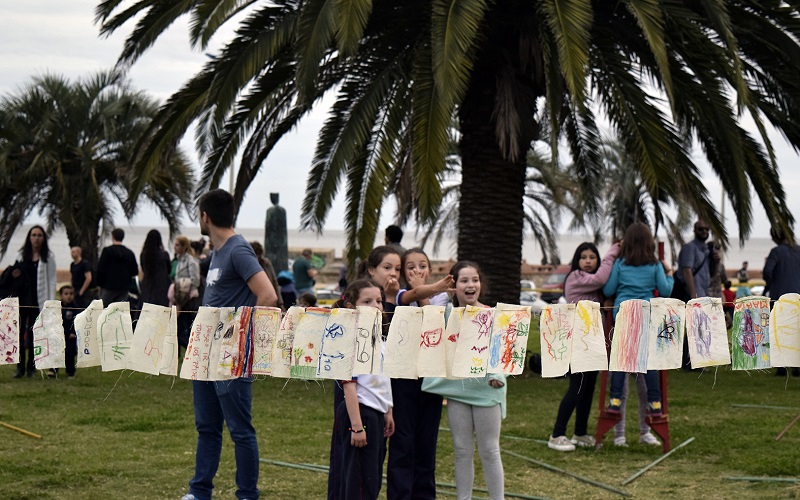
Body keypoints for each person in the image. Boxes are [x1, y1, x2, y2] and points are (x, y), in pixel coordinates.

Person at [182, 189, 278, 500]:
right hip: (205, 356)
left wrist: (240, 339)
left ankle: (247, 494)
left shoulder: (238, 250)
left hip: (229, 357)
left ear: (205, 216)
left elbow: (268, 296)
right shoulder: (218, 252)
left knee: (240, 430)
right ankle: (199, 492)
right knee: (207, 427)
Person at [423, 261, 506, 500]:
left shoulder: (493, 315)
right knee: (461, 450)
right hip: (457, 391)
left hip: (487, 392)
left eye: (475, 280)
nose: (471, 285)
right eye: (464, 281)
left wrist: (497, 375)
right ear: (454, 285)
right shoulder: (445, 314)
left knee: (490, 451)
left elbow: (503, 352)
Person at [548, 241, 619, 452]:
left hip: (593, 342)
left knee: (588, 389)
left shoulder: (594, 288)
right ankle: (557, 434)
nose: (588, 261)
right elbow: (600, 277)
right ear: (577, 261)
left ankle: (580, 433)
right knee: (577, 388)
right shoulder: (577, 277)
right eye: (583, 257)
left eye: (592, 257)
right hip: (576, 342)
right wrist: (613, 252)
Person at [328, 279, 395, 500]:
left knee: (372, 478)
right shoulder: (351, 340)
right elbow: (349, 385)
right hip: (359, 414)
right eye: (367, 301)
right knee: (358, 481)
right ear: (351, 307)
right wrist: (357, 427)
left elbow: (383, 379)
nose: (376, 305)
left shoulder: (380, 340)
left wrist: (388, 411)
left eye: (379, 301)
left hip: (376, 414)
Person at [603, 222, 673, 423]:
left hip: (623, 312)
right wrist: (669, 275)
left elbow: (608, 290)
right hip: (645, 313)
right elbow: (666, 290)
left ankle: (615, 401)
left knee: (621, 359)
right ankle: (655, 403)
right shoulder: (655, 265)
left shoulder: (620, 264)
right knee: (649, 362)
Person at [12, 225, 56, 378]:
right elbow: (14, 275)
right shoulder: (21, 255)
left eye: (39, 235)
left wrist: (50, 303)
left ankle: (31, 367)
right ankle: (20, 367)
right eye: (33, 235)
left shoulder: (48, 257)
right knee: (19, 333)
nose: (36, 238)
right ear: (29, 237)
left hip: (38, 301)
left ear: (43, 238)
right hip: (22, 300)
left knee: (34, 335)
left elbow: (51, 280)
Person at [763, 226, 800, 377]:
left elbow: (767, 272)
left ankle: (782, 367)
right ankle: (797, 367)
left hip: (780, 297)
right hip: (798, 297)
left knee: (779, 333)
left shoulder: (776, 252)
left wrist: (773, 282)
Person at [96, 228, 139, 307]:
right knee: (119, 311)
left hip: (108, 286)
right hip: (124, 287)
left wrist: (99, 284)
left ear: (113, 237)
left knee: (102, 309)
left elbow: (101, 269)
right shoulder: (129, 253)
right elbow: (135, 271)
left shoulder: (107, 251)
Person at [172, 236, 201, 350]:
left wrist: (186, 289)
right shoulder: (180, 259)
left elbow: (195, 280)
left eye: (177, 245)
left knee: (185, 323)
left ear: (184, 247)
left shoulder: (190, 260)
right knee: (181, 323)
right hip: (180, 295)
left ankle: (187, 348)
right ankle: (181, 349)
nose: (175, 247)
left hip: (188, 297)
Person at [673, 221, 711, 301]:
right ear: (695, 231)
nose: (704, 231)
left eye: (707, 229)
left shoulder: (706, 250)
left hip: (703, 294)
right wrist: (693, 294)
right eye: (700, 229)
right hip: (690, 295)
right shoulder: (689, 247)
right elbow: (687, 270)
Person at [139, 229, 171, 307]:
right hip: (162, 287)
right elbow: (169, 270)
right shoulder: (164, 255)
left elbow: (143, 269)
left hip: (147, 286)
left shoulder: (143, 255)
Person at [250, 241, 284, 310]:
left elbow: (275, 282)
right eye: (256, 254)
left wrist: (280, 303)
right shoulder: (249, 265)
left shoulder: (266, 263)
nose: (258, 256)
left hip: (270, 300)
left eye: (259, 254)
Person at [59, 285, 79, 379]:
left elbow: (76, 321)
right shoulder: (58, 307)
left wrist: (73, 332)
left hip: (70, 336)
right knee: (57, 352)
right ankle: (53, 370)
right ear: (61, 295)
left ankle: (70, 372)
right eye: (66, 294)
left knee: (70, 354)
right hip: (59, 335)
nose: (69, 296)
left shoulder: (75, 308)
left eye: (71, 294)